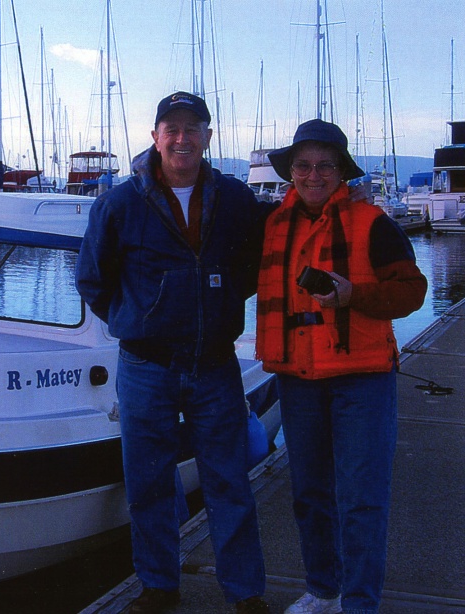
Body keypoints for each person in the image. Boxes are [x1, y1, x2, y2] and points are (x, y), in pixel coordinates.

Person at [76, 92, 272, 614]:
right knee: (149, 483)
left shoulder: (235, 198)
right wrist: (140, 318)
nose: (182, 138)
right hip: (146, 367)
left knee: (229, 481)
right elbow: (92, 279)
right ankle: (158, 586)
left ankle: (245, 593)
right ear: (156, 136)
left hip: (215, 365)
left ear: (207, 136)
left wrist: (220, 305)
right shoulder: (120, 203)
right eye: (172, 128)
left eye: (192, 128)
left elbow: (251, 267)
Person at [256, 119, 427, 614]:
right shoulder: (273, 225)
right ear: (291, 172)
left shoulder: (373, 223)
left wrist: (354, 295)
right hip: (298, 378)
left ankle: (359, 603)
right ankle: (323, 590)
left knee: (361, 497)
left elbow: (413, 291)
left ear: (341, 172)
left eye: (325, 166)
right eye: (303, 166)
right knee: (309, 493)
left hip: (362, 378)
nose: (313, 175)